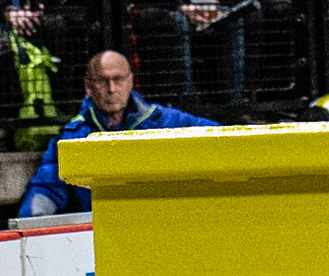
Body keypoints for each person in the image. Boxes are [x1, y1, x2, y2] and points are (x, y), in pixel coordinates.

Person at [17, 50, 215, 216]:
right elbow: (48, 187)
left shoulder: (165, 121)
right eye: (103, 81)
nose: (111, 89)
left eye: (118, 80)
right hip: (105, 235)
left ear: (130, 82)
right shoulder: (73, 136)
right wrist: (31, 223)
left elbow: (221, 138)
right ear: (88, 87)